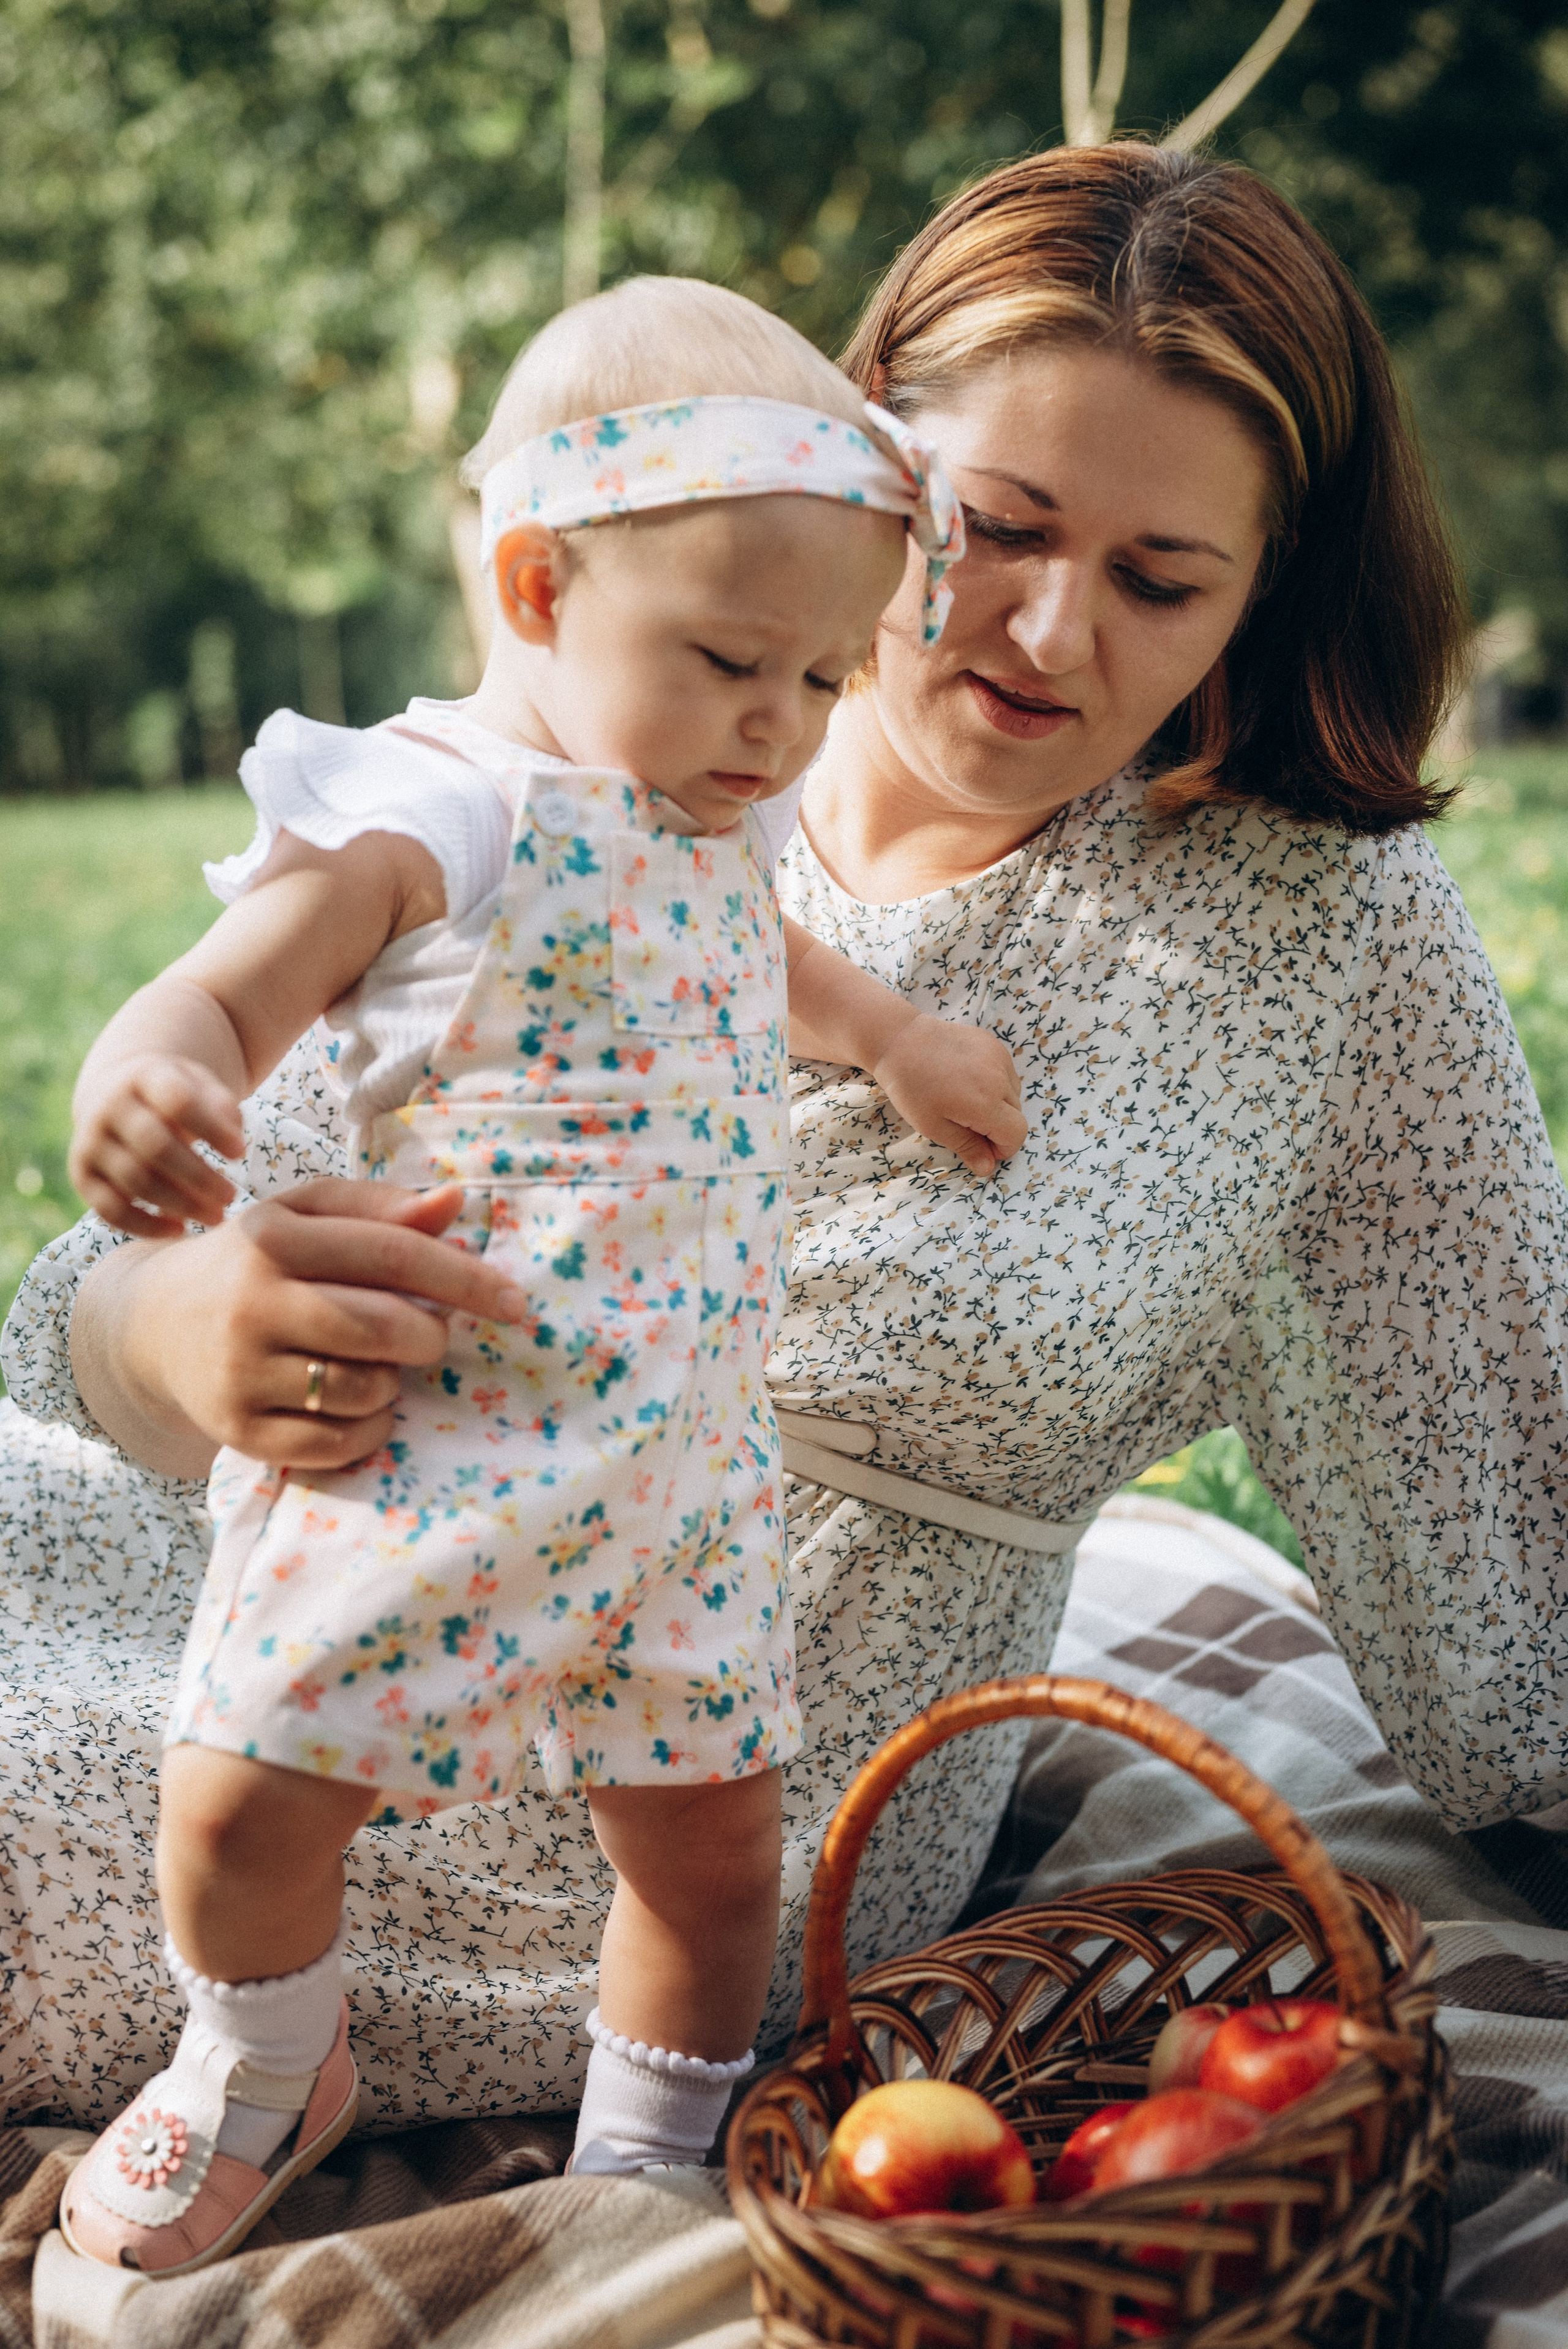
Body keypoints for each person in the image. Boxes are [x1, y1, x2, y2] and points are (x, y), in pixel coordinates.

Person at [6, 142, 1566, 2173]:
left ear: (1270, 588)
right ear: (860, 464)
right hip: (299, 1576)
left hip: (666, 1793)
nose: (1044, 631)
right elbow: (73, 1346)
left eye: (1163, 580)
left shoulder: (1315, 945)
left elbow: (1509, 1557)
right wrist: (178, 1311)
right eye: (987, 529)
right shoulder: (589, 753)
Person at [50, 277, 1022, 2274]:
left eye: (829, 682)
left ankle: (645, 2155)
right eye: (734, 659)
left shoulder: (708, 815)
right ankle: (259, 2057)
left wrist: (902, 1039)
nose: (783, 724)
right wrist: (152, 1073)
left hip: (677, 1459)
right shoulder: (445, 811)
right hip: (440, 1432)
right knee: (248, 1797)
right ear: (535, 583)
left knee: (710, 1847)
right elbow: (227, 987)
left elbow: (776, 959)